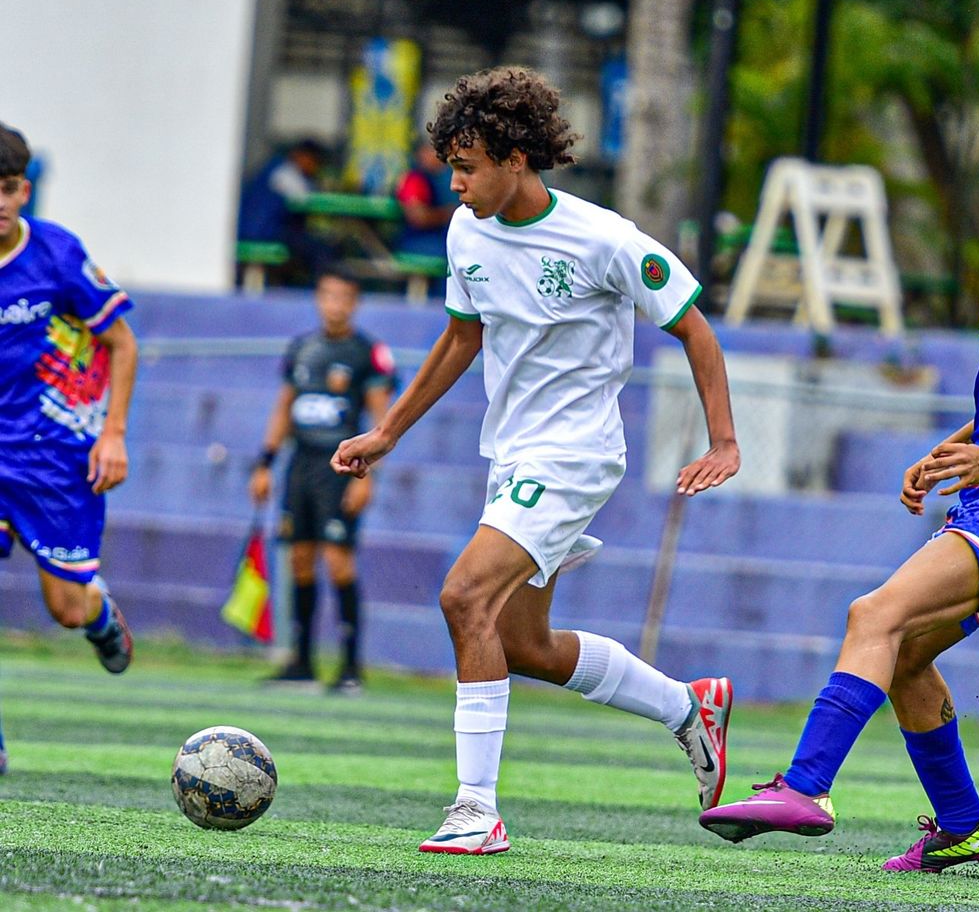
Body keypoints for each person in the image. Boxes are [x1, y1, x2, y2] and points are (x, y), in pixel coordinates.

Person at [332, 66, 741, 855]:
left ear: (516, 157)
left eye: (467, 166)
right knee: (523, 645)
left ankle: (476, 809)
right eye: (451, 164)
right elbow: (461, 338)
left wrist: (722, 441)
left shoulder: (604, 239)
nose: (454, 183)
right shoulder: (465, 231)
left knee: (463, 597)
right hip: (512, 453)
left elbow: (694, 328)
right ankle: (688, 708)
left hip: (575, 454)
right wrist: (389, 432)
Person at [700, 122, 979, 873]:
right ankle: (966, 825)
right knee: (903, 656)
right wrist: (947, 451)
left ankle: (805, 787)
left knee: (873, 614)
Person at [0, 124, 137, 682]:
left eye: (7, 188)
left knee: (66, 608)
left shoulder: (56, 254)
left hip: (51, 454)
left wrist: (114, 435)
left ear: (24, 191)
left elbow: (122, 343)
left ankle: (99, 615)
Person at [249, 265, 396, 694]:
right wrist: (265, 462)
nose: (334, 304)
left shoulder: (367, 354)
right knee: (298, 557)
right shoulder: (302, 348)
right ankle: (302, 660)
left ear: (354, 303)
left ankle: (350, 666)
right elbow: (284, 408)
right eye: (327, 295)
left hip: (341, 470)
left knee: (338, 560)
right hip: (302, 465)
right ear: (318, 298)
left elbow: (380, 418)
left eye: (343, 297)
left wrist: (367, 478)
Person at [237, 138, 333, 282]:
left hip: (261, 231)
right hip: (261, 233)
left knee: (310, 247)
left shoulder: (275, 168)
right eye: (315, 161)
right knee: (320, 251)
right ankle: (320, 294)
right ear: (301, 156)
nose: (315, 167)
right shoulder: (284, 171)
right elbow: (304, 198)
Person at [393, 141, 457, 259]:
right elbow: (418, 216)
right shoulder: (415, 179)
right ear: (421, 154)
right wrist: (449, 214)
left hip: (443, 238)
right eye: (433, 152)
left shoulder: (446, 177)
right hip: (420, 243)